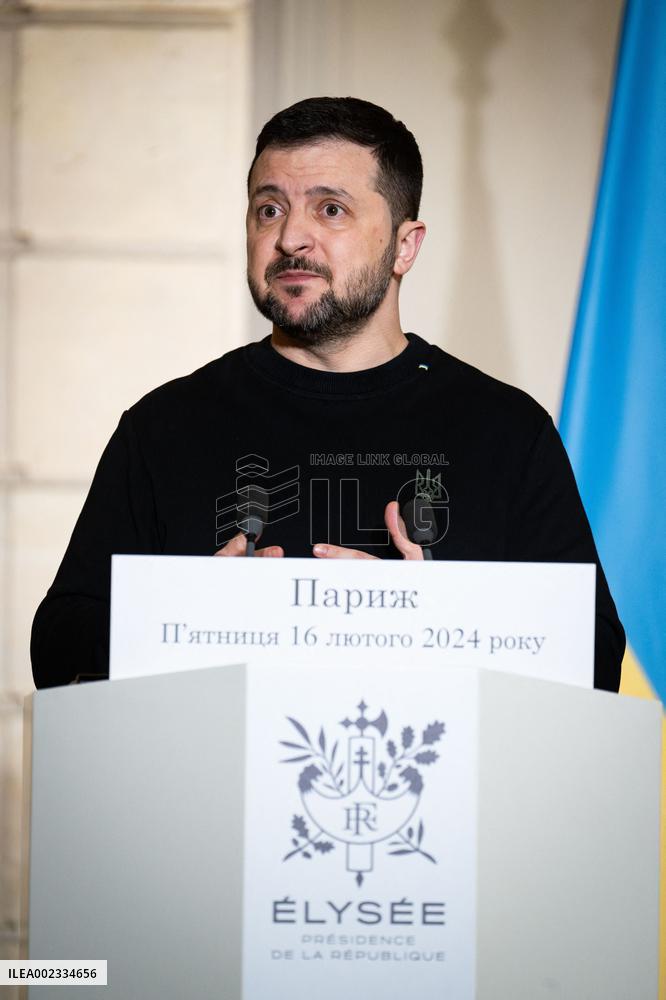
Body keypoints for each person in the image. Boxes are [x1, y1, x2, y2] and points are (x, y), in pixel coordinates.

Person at [30, 97, 625, 691]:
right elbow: (57, 647)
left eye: (331, 209)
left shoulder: (508, 431)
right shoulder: (163, 428)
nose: (291, 237)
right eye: (269, 209)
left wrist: (434, 620)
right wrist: (189, 616)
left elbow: (595, 654)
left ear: (405, 246)